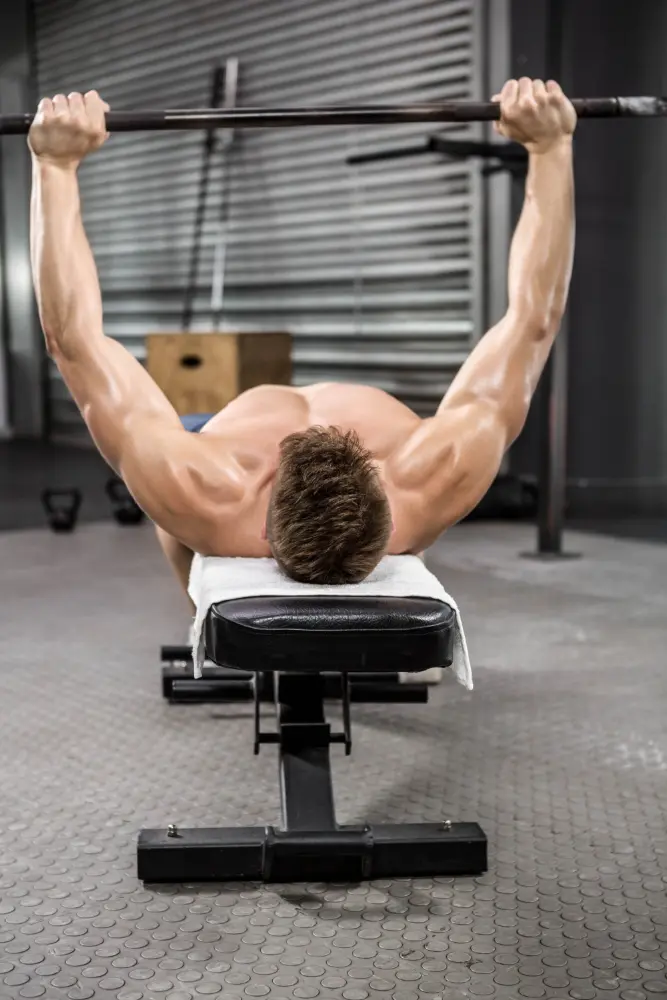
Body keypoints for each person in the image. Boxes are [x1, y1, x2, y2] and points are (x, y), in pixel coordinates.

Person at [29, 78, 576, 600]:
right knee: (177, 513)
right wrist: (552, 149)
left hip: (220, 450)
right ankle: (208, 620)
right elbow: (532, 321)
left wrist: (55, 165)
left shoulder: (200, 487)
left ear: (260, 532)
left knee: (175, 519)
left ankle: (206, 618)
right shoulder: (430, 476)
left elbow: (73, 339)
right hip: (375, 484)